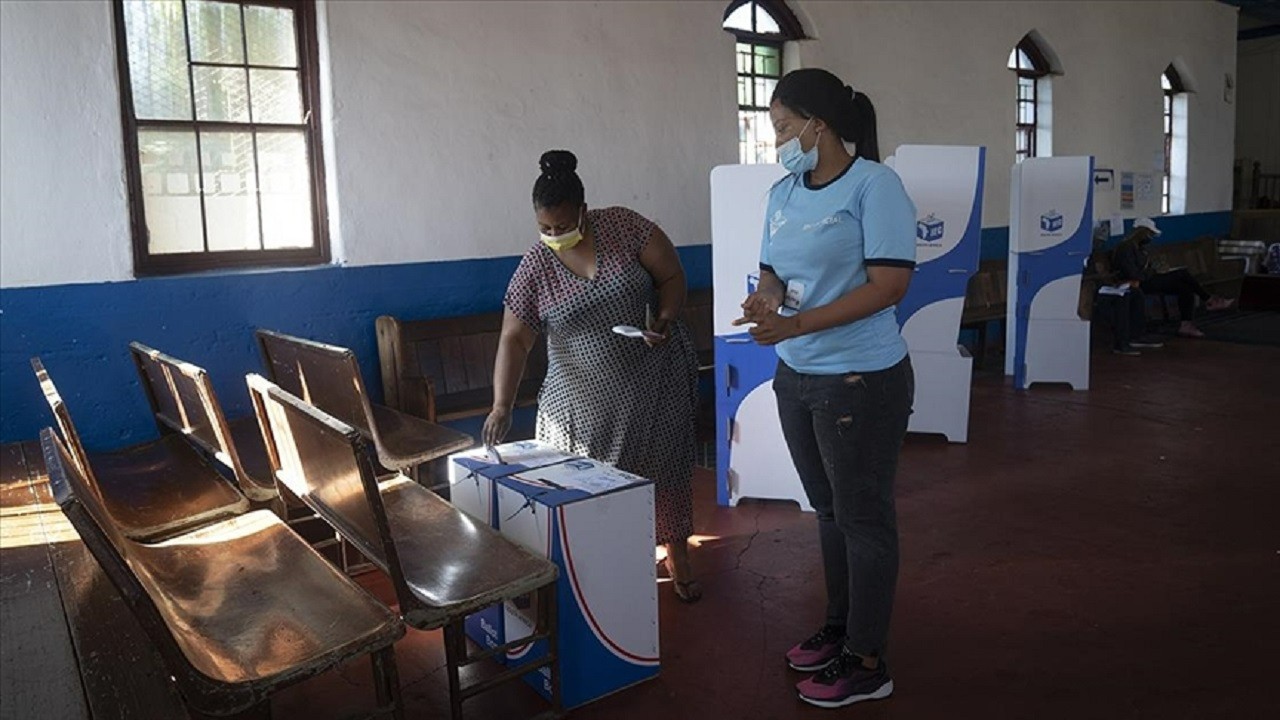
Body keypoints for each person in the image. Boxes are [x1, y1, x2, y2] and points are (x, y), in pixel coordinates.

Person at [733, 68, 913, 709]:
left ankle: (868, 660)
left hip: (860, 379)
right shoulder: (783, 194)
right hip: (798, 376)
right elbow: (774, 273)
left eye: (783, 126)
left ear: (819, 124)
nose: (777, 139)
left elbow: (889, 285)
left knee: (864, 519)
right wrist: (764, 303)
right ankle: (841, 629)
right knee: (831, 511)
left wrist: (796, 322)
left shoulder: (875, 186)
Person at [483, 150, 703, 603]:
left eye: (562, 226)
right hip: (580, 405)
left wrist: (664, 317)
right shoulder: (535, 266)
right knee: (590, 493)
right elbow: (514, 339)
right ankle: (602, 576)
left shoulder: (624, 227)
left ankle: (678, 557)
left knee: (667, 474)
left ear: (583, 211)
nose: (554, 236)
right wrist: (502, 404)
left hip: (653, 384)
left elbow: (672, 275)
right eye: (544, 228)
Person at [1112, 217, 1234, 337]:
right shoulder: (1126, 248)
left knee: (1184, 288)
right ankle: (1209, 300)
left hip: (1145, 279)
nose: (1151, 238)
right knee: (1182, 274)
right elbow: (1133, 273)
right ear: (1141, 232)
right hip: (1135, 283)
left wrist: (1157, 268)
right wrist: (1154, 271)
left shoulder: (1140, 249)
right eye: (1150, 234)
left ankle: (1186, 324)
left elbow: (1145, 269)